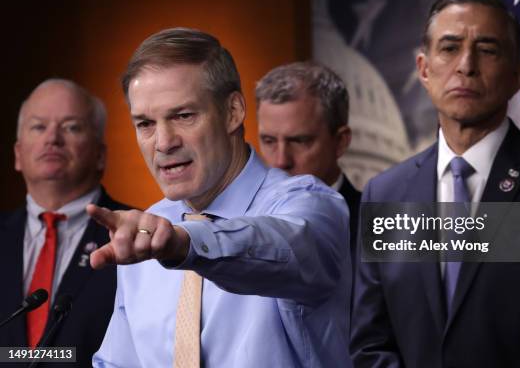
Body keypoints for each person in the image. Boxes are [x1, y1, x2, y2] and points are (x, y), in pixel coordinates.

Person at [350, 0, 520, 368]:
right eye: (450, 48)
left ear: (517, 74)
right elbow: (369, 344)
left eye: (487, 50)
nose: (466, 65)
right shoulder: (384, 193)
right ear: (424, 68)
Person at [91, 28, 351, 367]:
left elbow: (284, 245)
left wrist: (187, 246)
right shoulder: (147, 230)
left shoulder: (311, 204)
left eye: (183, 116)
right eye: (145, 124)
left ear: (233, 112)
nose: (163, 142)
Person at [0, 79, 130, 366]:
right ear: (18, 154)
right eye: (38, 127)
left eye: (71, 127)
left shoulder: (136, 236)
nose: (52, 139)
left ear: (100, 155)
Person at [256, 61, 360, 265]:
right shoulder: (237, 224)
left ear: (340, 141)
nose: (280, 161)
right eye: (268, 141)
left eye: (299, 141)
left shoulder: (389, 229)